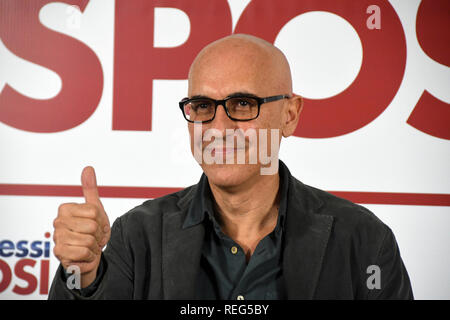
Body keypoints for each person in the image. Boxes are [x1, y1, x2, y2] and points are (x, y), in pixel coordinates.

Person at [49, 34, 413, 299]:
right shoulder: (135, 236)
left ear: (290, 115)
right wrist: (81, 275)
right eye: (203, 106)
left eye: (242, 103)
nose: (218, 129)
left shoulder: (365, 243)